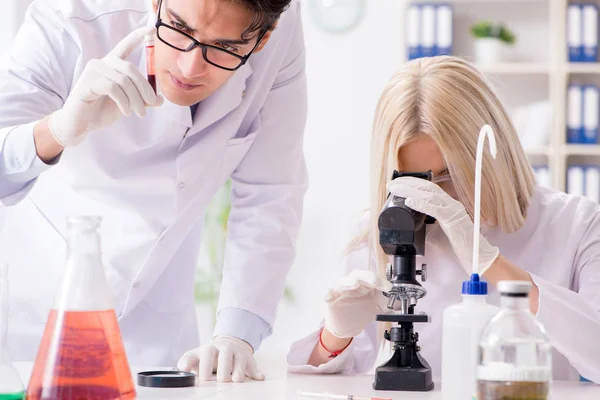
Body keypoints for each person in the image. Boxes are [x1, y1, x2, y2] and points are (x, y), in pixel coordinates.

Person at [0, 0, 307, 382]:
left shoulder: (277, 26)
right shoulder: (70, 14)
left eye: (225, 48)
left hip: (159, 341)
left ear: (263, 39)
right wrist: (59, 130)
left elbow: (270, 189)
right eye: (179, 28)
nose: (189, 68)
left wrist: (237, 332)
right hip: (35, 327)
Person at [286, 56, 600, 384]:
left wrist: (493, 266)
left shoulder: (577, 223)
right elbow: (335, 372)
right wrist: (335, 336)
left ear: (492, 154)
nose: (434, 198)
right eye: (415, 180)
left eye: (449, 174)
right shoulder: (382, 230)